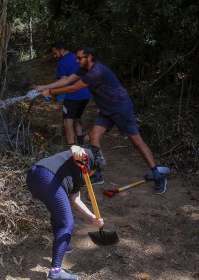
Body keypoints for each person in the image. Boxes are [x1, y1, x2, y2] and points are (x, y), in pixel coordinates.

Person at [37, 45, 167, 194]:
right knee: (94, 136)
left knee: (136, 141)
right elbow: (68, 81)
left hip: (121, 108)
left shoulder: (96, 72)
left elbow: (73, 88)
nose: (76, 60)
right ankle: (97, 173)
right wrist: (44, 87)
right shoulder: (84, 69)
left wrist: (51, 91)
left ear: (90, 58)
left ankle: (157, 174)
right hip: (106, 110)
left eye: (79, 58)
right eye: (76, 58)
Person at [26, 145, 104, 280]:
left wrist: (92, 217)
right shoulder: (87, 158)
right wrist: (78, 151)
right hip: (47, 177)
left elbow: (75, 199)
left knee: (59, 214)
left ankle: (62, 245)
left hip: (34, 176)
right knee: (67, 223)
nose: (93, 177)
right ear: (94, 167)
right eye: (95, 173)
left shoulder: (80, 173)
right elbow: (75, 149)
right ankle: (55, 273)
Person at [49, 42, 91, 146]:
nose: (55, 56)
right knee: (76, 118)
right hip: (86, 95)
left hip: (73, 96)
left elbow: (63, 81)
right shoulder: (77, 56)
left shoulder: (62, 62)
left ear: (62, 50)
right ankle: (81, 142)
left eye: (55, 53)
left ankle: (71, 147)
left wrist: (52, 93)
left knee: (67, 122)